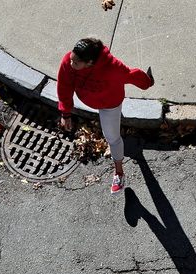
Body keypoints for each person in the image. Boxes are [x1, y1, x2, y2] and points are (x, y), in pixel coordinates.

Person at [57, 38, 154, 194]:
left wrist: (147, 82)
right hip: (91, 100)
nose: (70, 64)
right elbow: (64, 86)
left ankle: (119, 173)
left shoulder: (112, 68)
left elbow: (131, 75)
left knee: (112, 138)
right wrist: (66, 113)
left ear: (89, 63)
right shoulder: (69, 62)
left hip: (110, 105)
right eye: (71, 60)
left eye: (75, 63)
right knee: (112, 132)